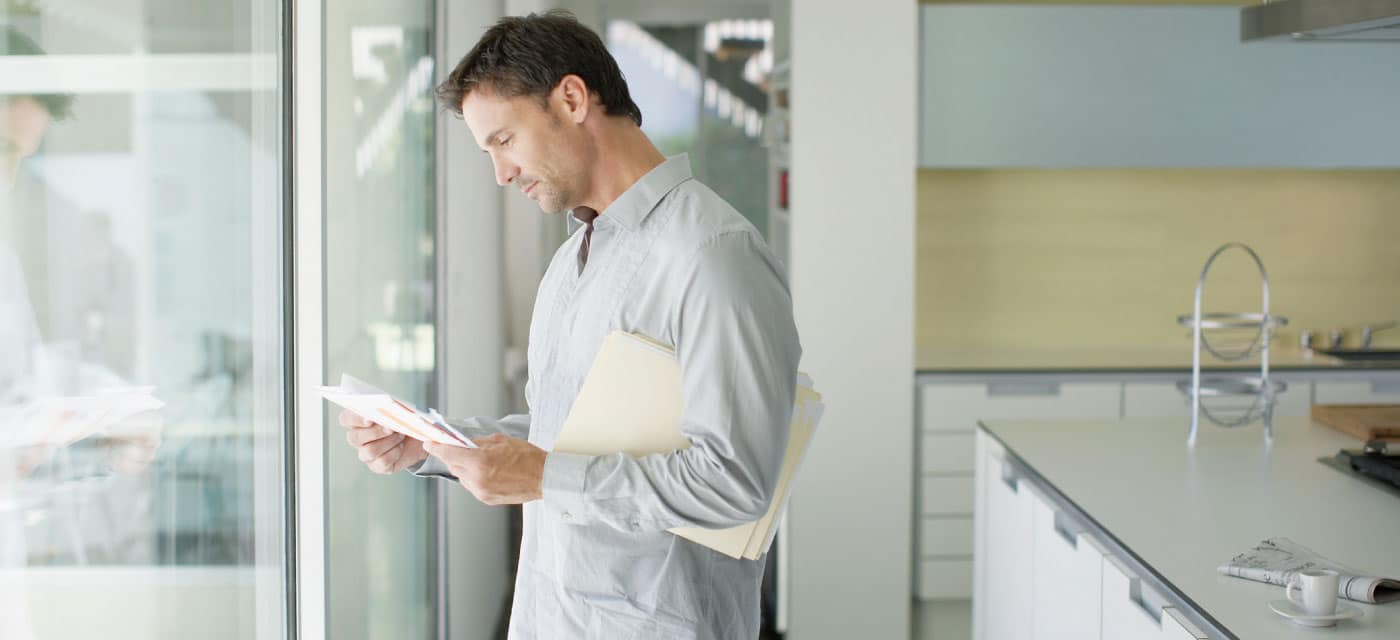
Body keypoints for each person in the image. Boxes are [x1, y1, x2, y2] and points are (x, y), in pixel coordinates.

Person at [338, 10, 802, 639]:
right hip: (554, 614)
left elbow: (735, 481)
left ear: (573, 98)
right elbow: (566, 430)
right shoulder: (571, 260)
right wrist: (437, 446)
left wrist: (541, 475)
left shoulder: (713, 254)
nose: (500, 173)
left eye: (504, 140)